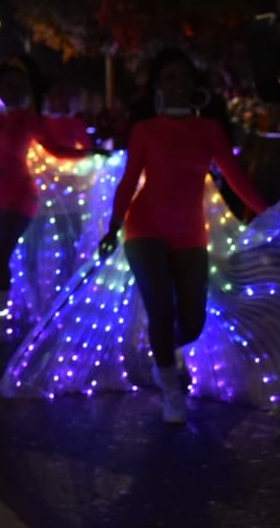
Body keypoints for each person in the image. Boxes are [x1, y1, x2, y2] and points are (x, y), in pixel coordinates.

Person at [97, 49, 270, 423]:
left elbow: (236, 178)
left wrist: (268, 213)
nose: (178, 85)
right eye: (170, 78)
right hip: (145, 228)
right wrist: (112, 227)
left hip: (189, 231)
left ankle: (161, 353)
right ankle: (171, 390)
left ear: (194, 86)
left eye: (184, 78)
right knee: (161, 308)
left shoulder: (209, 130)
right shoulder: (145, 130)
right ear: (159, 85)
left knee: (191, 321)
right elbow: (129, 181)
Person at [0, 55, 97, 344]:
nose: (12, 90)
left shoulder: (28, 119)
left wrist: (91, 154)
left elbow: (57, 149)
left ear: (25, 90)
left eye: (18, 86)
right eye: (6, 85)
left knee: (0, 254)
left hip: (20, 197)